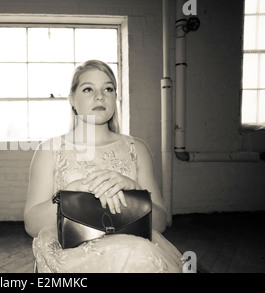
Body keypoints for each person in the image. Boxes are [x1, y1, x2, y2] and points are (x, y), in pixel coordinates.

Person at [24, 60, 184, 273]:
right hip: (73, 257)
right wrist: (70, 195)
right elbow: (32, 224)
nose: (100, 96)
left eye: (108, 88)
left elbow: (161, 223)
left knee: (139, 255)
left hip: (140, 256)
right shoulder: (50, 150)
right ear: (72, 99)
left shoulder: (137, 149)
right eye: (88, 89)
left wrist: (134, 191)